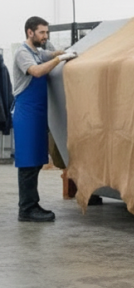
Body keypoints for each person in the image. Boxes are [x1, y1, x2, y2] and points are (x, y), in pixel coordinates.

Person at [12, 16, 76, 222]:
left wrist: (66, 52)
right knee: (28, 163)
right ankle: (26, 209)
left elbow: (51, 54)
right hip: (26, 114)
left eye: (47, 32)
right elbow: (37, 71)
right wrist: (59, 59)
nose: (45, 36)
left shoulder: (38, 52)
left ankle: (33, 203)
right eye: (42, 32)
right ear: (30, 32)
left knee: (37, 161)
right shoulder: (23, 53)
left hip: (38, 114)